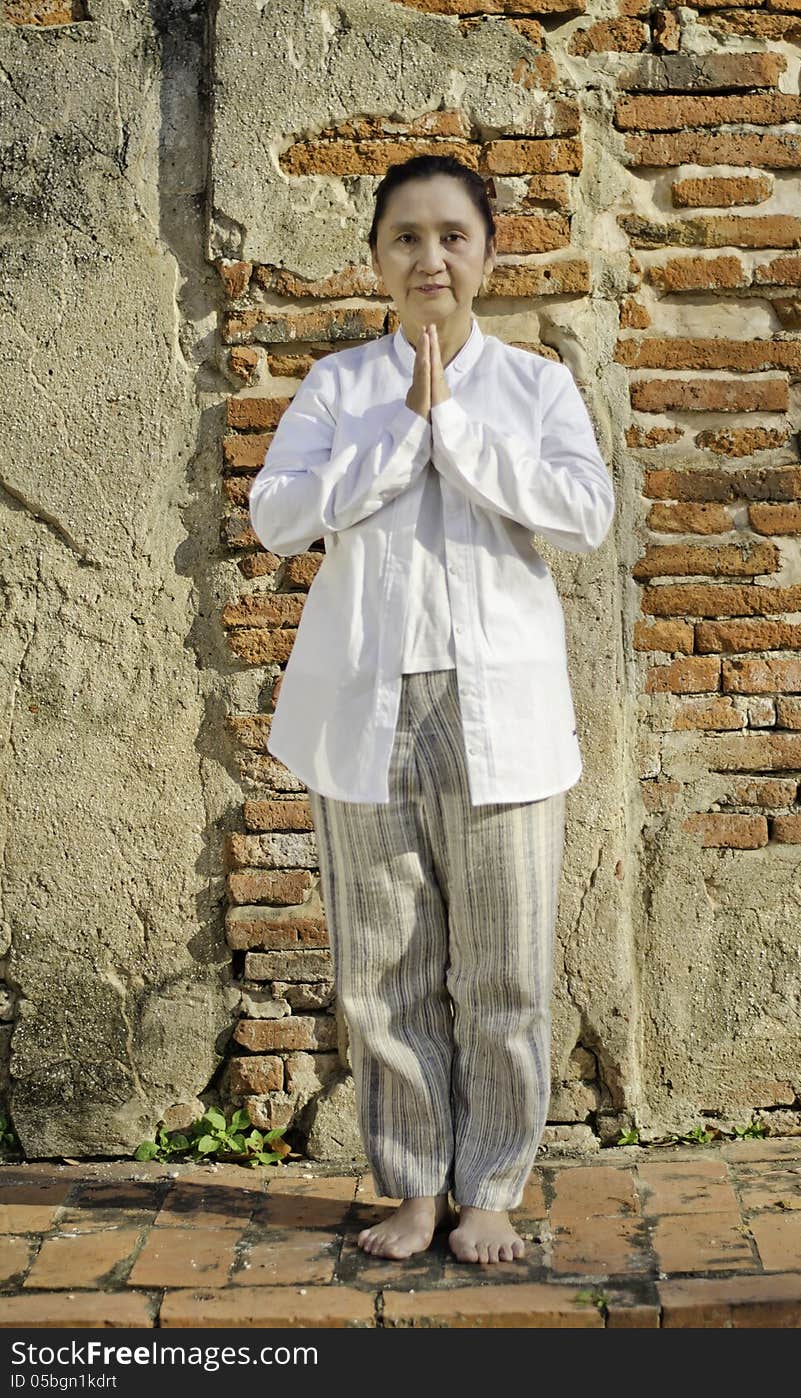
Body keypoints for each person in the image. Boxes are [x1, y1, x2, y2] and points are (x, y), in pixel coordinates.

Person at [248, 153, 615, 1264]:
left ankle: (492, 1184)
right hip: (366, 701)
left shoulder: (535, 387)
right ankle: (411, 1185)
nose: (430, 258)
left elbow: (582, 514)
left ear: (488, 255)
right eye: (405, 237)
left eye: (452, 235)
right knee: (384, 967)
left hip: (500, 702)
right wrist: (399, 430)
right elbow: (277, 516)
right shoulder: (338, 388)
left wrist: (453, 424)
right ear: (375, 259)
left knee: (502, 967)